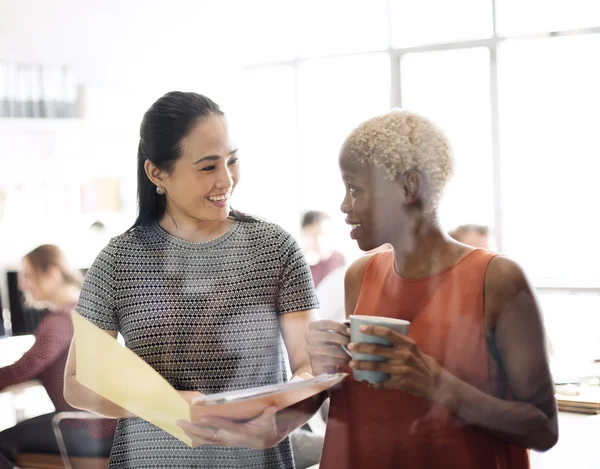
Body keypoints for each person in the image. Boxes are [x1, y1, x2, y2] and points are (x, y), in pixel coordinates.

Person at [63, 91, 323, 469]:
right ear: (157, 173)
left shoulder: (275, 248)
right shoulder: (118, 261)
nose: (226, 180)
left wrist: (285, 414)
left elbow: (309, 366)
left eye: (232, 161)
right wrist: (165, 403)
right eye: (207, 167)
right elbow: (77, 381)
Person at [306, 110, 558, 468]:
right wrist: (326, 374)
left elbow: (543, 429)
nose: (344, 206)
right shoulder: (360, 276)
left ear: (408, 187)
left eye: (354, 188)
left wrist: (439, 386)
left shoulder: (497, 279)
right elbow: (356, 417)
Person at [0, 244, 115, 468]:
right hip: (96, 425)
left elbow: (26, 367)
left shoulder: (62, 318)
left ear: (52, 273)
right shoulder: (82, 309)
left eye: (28, 275)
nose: (22, 284)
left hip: (84, 428)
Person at [300, 211, 345, 288]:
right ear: (304, 234)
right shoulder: (299, 262)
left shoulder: (338, 259)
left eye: (322, 234)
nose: (319, 241)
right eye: (314, 236)